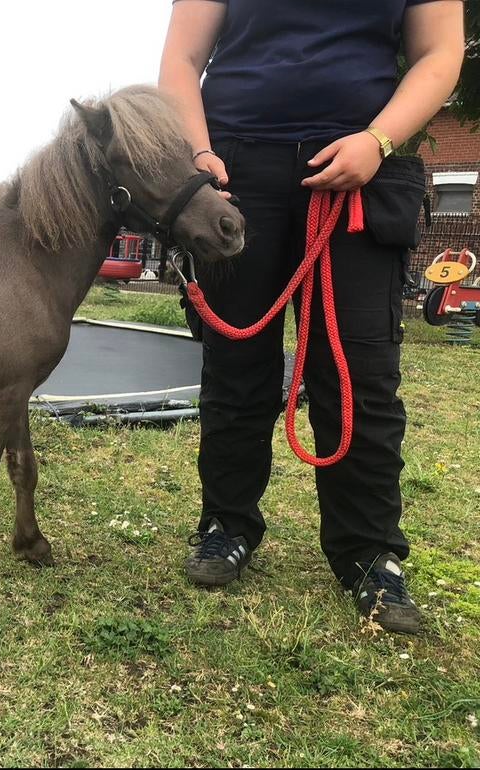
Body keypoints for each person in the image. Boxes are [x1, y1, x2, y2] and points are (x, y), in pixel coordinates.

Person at [158, 0, 465, 634]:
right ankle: (226, 523)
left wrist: (378, 141)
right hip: (237, 171)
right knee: (235, 363)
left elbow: (440, 52)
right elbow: (183, 57)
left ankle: (369, 552)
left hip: (357, 174)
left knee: (358, 375)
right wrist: (198, 152)